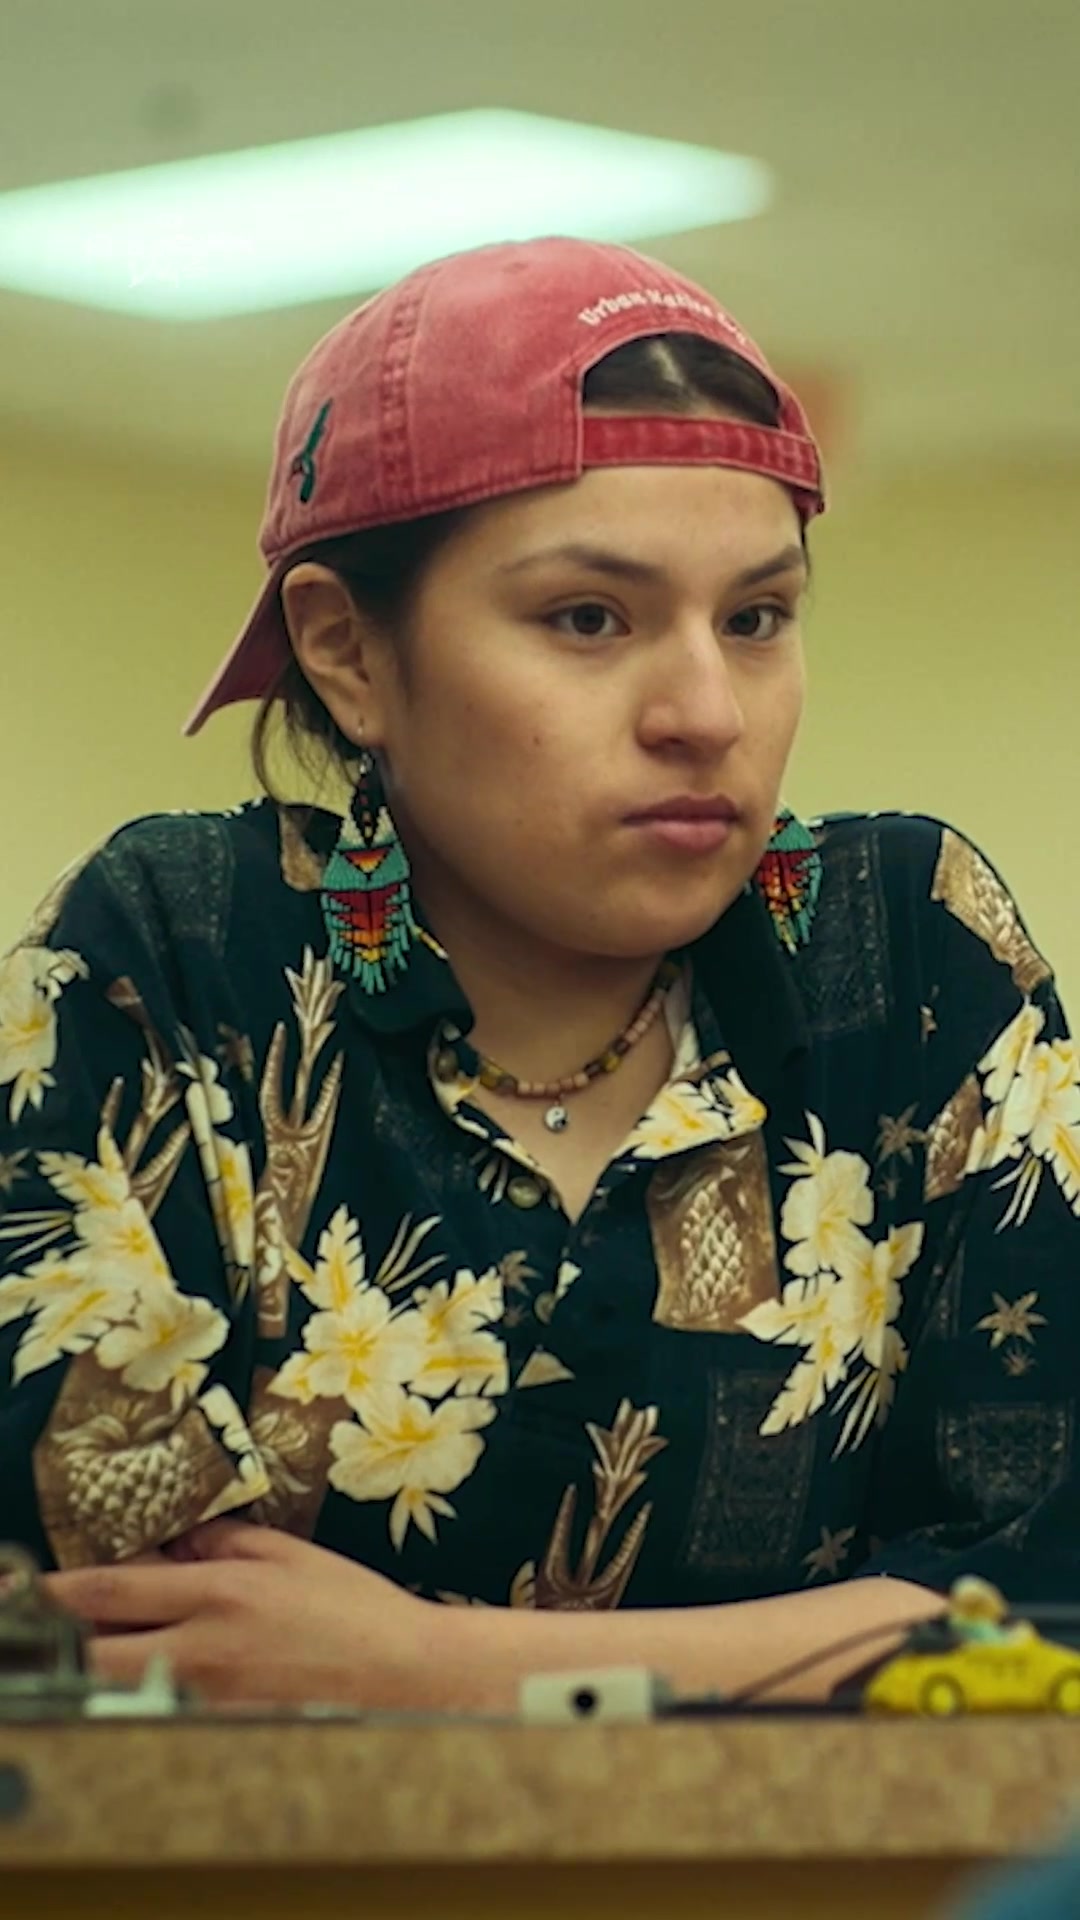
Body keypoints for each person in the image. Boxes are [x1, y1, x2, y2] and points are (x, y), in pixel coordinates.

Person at [1, 237, 1078, 1714]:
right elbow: (124, 1624)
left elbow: (1045, 1600)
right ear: (346, 652)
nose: (707, 711)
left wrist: (435, 1667)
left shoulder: (904, 956)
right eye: (589, 619)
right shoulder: (185, 957)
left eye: (756, 619)